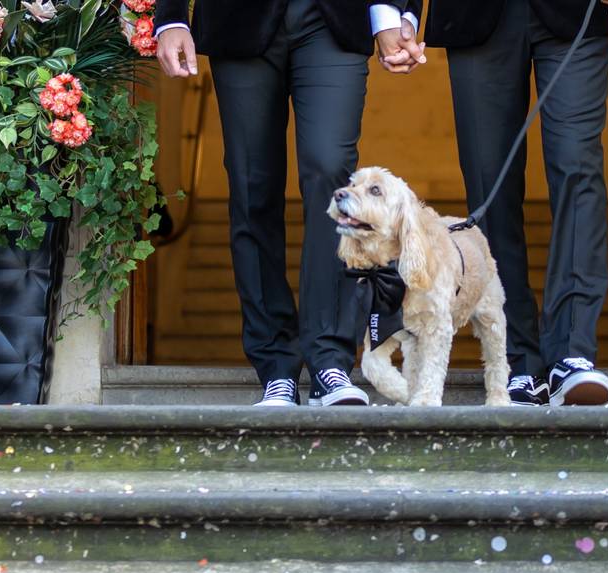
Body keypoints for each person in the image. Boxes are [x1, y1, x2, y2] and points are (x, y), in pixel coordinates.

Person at [155, 0, 425, 407]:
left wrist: (392, 13)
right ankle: (276, 366)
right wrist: (171, 16)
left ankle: (330, 359)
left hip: (333, 20)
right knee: (252, 184)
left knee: (332, 171)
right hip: (239, 22)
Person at [413, 0, 608, 406]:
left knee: (577, 168)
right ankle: (517, 361)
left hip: (579, 12)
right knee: (489, 184)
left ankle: (572, 353)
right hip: (476, 19)